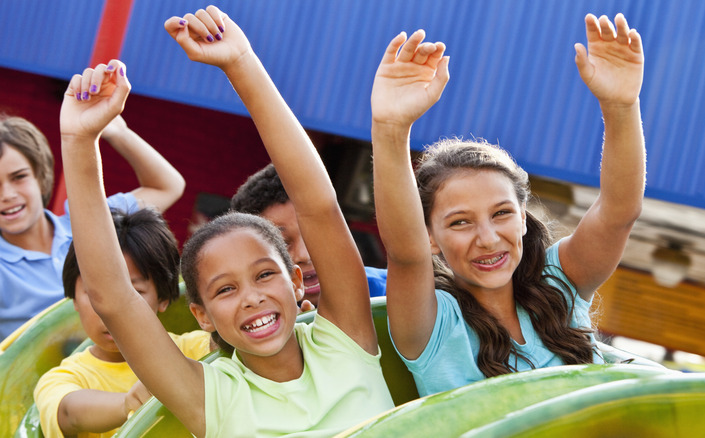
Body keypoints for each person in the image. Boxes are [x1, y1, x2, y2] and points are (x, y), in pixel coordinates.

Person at [60, 6, 393, 438]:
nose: (252, 298)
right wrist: (80, 140)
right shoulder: (210, 396)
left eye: (265, 275)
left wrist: (240, 63)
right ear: (202, 316)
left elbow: (318, 206)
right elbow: (113, 297)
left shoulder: (345, 340)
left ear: (296, 281)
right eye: (225, 289)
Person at [370, 13, 645, 396]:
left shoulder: (558, 285)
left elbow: (619, 212)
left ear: (522, 219)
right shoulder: (435, 326)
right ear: (430, 238)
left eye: (501, 214)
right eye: (460, 223)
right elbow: (404, 252)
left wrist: (621, 106)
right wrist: (390, 130)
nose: (487, 238)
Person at [0, 113, 185, 339]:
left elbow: (168, 186)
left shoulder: (87, 219)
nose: (7, 194)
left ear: (41, 175)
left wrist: (119, 133)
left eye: (19, 177)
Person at [33, 208, 213, 438]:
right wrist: (127, 404)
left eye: (133, 292)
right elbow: (68, 412)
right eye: (95, 292)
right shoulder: (67, 376)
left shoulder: (192, 350)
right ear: (74, 299)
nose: (111, 309)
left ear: (163, 299)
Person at [231, 163, 387, 309]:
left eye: (315, 235)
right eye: (282, 244)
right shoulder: (246, 320)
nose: (304, 256)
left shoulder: (391, 293)